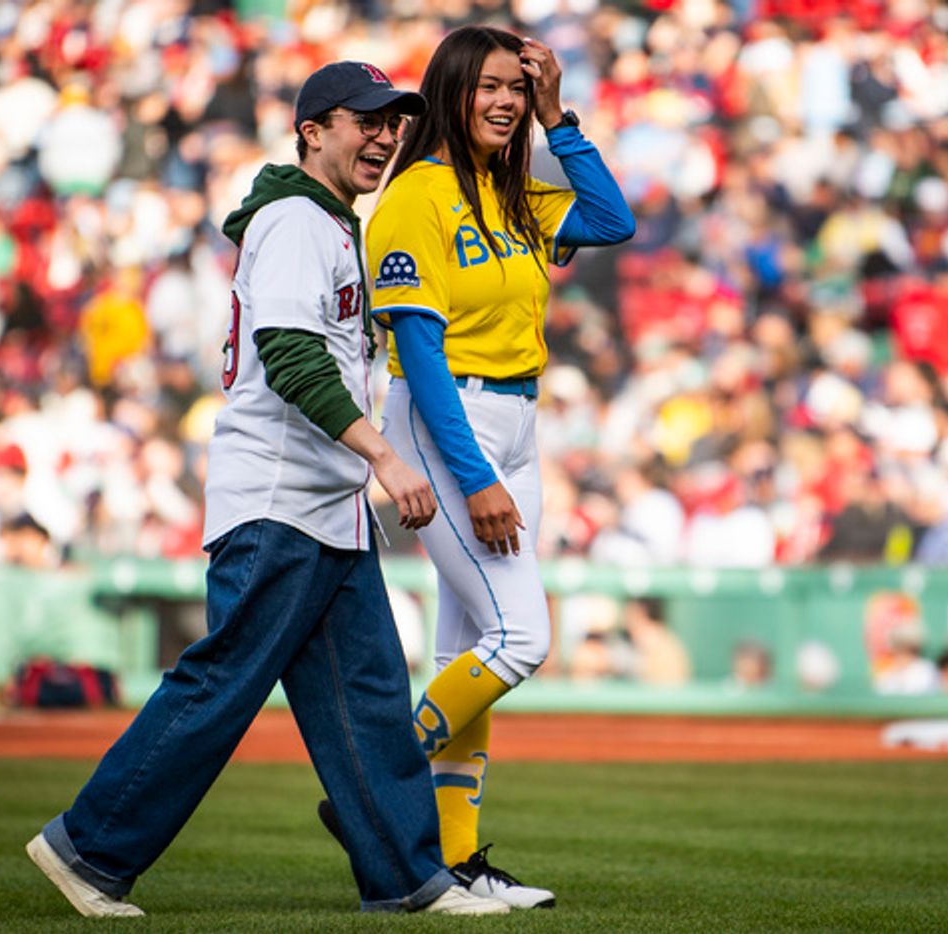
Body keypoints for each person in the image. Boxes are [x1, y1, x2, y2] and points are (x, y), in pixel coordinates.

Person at [24, 61, 508, 918]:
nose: (386, 134)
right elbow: (290, 358)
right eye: (365, 119)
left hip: (327, 507)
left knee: (367, 698)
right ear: (312, 129)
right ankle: (88, 847)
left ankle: (407, 877)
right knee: (222, 685)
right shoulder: (293, 219)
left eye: (394, 120)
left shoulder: (329, 222)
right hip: (280, 499)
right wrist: (388, 463)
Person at [364, 25, 634, 909]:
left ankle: (454, 865)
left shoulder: (512, 192)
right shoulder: (418, 197)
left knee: (464, 646)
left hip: (518, 416)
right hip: (449, 420)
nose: (505, 101)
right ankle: (375, 796)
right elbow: (422, 354)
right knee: (522, 638)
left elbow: (610, 220)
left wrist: (562, 118)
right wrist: (474, 475)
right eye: (489, 86)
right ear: (450, 90)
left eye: (516, 89)